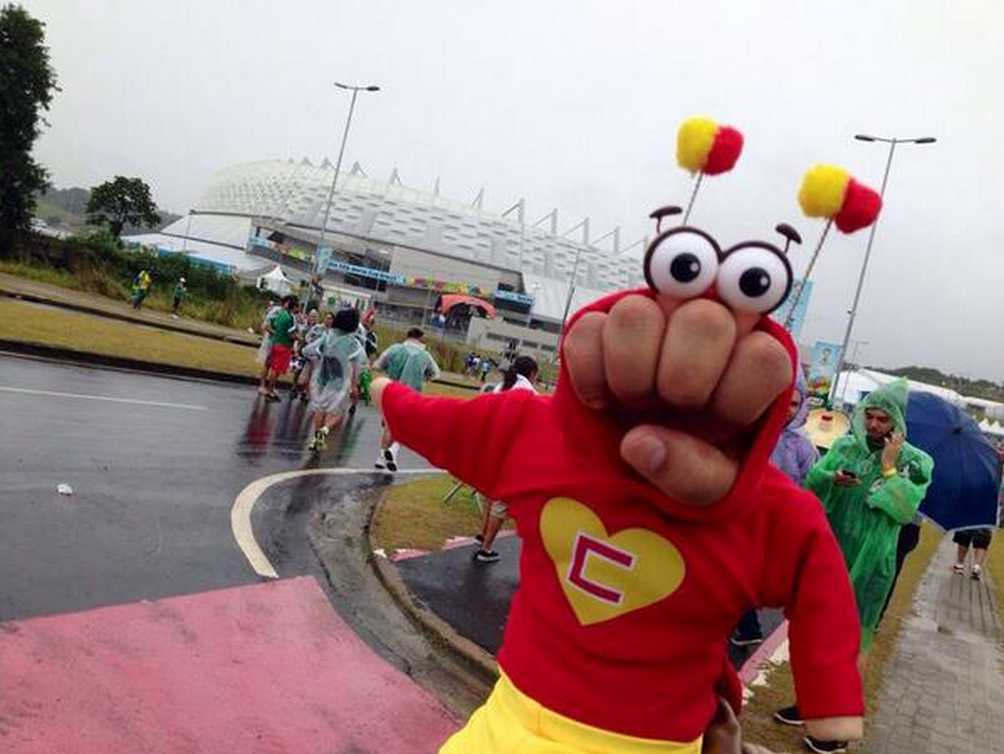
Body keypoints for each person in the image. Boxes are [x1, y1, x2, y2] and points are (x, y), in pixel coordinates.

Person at [372, 275, 864, 753]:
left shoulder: (537, 433)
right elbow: (822, 593)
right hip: (641, 734)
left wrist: (384, 391)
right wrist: (831, 704)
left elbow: (434, 419)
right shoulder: (772, 509)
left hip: (519, 722)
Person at [775, 378, 933, 752]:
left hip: (871, 563)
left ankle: (839, 731)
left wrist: (889, 468)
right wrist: (832, 478)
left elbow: (905, 509)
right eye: (870, 417)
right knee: (814, 635)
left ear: (897, 421)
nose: (874, 425)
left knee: (853, 642)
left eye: (883, 419)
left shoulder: (916, 461)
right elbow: (813, 482)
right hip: (831, 552)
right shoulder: (846, 445)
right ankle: (808, 704)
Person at [732, 368, 818, 646]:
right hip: (738, 515)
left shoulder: (802, 447)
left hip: (773, 523)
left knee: (748, 574)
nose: (787, 409)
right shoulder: (749, 431)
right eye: (783, 399)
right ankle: (741, 626)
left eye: (794, 403)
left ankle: (747, 628)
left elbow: (808, 486)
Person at [472, 356, 539, 564]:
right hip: (510, 453)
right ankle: (486, 548)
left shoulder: (501, 386)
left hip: (490, 448)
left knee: (489, 496)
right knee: (501, 503)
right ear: (532, 373)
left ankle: (483, 535)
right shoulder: (528, 392)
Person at [372, 328, 440, 472]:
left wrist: (390, 369)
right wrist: (423, 376)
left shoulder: (395, 349)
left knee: (390, 426)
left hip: (391, 392)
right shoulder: (425, 355)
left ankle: (381, 457)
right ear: (420, 338)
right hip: (412, 396)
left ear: (408, 336)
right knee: (404, 427)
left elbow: (378, 365)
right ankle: (394, 450)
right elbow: (435, 374)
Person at [302, 308, 364, 453]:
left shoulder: (327, 336)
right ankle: (324, 430)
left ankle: (317, 438)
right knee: (337, 412)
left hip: (322, 378)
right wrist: (354, 385)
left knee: (320, 408)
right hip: (341, 382)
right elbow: (354, 365)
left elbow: (308, 351)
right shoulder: (353, 343)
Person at [260, 296, 299, 402]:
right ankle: (270, 391)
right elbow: (291, 334)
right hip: (284, 345)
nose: (299, 309)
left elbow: (275, 325)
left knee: (273, 367)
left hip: (276, 343)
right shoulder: (289, 318)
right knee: (276, 370)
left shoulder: (281, 314)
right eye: (298, 306)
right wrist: (299, 338)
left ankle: (270, 389)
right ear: (294, 307)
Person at [291, 309, 324, 402]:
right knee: (297, 370)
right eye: (312, 316)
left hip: (311, 354)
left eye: (315, 316)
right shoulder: (304, 327)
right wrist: (296, 350)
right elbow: (298, 339)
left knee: (309, 373)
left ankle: (304, 391)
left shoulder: (319, 329)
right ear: (308, 317)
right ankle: (294, 386)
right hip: (301, 351)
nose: (313, 318)